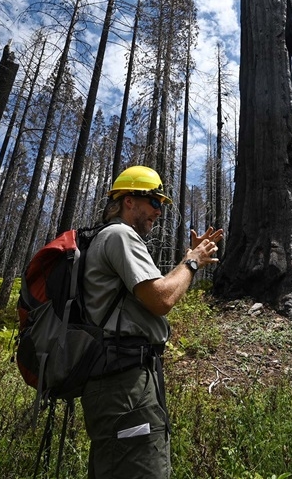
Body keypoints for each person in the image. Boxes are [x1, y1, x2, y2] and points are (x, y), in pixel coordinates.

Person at [80, 165, 223, 478]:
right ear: (129, 201)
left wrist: (189, 259)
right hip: (124, 382)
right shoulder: (120, 234)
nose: (159, 212)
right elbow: (162, 300)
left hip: (121, 378)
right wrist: (192, 262)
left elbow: (155, 291)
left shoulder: (110, 238)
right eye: (155, 202)